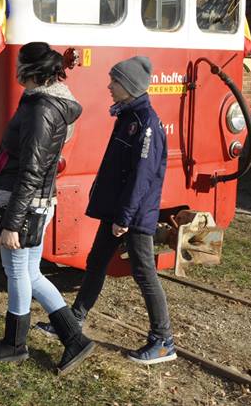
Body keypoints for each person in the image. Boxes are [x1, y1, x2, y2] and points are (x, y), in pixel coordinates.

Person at [0, 41, 94, 374]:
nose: (15, 69)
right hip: (37, 202)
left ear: (30, 71)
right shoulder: (47, 103)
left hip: (24, 205)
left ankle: (15, 344)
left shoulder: (40, 109)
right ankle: (74, 338)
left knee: (18, 272)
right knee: (30, 272)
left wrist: (12, 223)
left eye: (19, 64)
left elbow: (31, 169)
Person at [72, 55, 176, 365]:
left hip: (132, 215)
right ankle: (74, 320)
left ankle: (163, 340)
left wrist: (124, 218)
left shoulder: (144, 125)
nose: (109, 86)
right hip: (120, 211)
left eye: (114, 81)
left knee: (144, 273)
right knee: (97, 261)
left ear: (128, 86)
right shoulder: (129, 118)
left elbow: (141, 178)